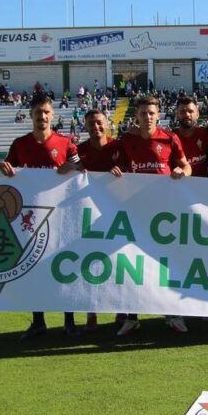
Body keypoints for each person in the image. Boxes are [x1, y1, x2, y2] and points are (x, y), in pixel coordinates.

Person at [0, 94, 82, 337]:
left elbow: (83, 171)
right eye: (37, 112)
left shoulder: (66, 144)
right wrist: (2, 168)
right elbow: (5, 171)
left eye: (46, 112)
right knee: (33, 269)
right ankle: (38, 322)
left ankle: (69, 321)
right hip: (29, 221)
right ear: (31, 115)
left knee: (63, 267)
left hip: (62, 218)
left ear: (52, 114)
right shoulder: (19, 145)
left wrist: (74, 167)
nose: (42, 117)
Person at [111, 96, 191, 335]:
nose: (148, 117)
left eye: (151, 113)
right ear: (136, 115)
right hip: (136, 212)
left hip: (165, 213)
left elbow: (186, 166)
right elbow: (121, 169)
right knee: (135, 264)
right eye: (143, 113)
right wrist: (116, 172)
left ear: (158, 115)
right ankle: (132, 316)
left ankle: (173, 313)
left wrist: (182, 171)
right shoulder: (127, 140)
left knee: (166, 264)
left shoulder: (169, 138)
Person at [76, 109, 121, 330]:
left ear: (107, 124)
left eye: (100, 123)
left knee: (120, 264)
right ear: (85, 127)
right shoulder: (78, 151)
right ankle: (91, 314)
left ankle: (122, 312)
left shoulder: (118, 147)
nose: (96, 127)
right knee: (90, 266)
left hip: (117, 216)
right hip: (88, 218)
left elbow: (132, 173)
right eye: (91, 124)